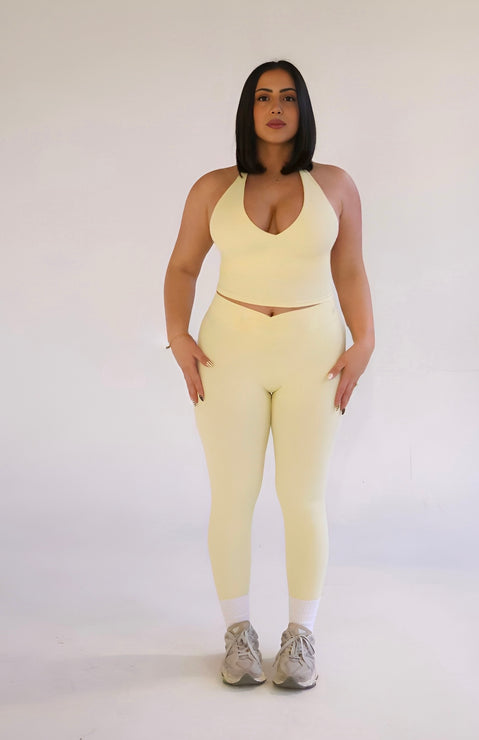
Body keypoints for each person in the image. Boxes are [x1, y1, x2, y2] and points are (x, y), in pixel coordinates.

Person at [163, 59, 374, 690]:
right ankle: (238, 635)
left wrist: (365, 339)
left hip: (315, 352)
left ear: (302, 108)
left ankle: (300, 636)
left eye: (286, 96)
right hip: (229, 354)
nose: (275, 107)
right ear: (248, 109)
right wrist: (179, 337)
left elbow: (351, 269)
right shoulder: (213, 188)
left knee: (303, 497)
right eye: (263, 97)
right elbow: (182, 268)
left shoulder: (335, 184)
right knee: (233, 495)